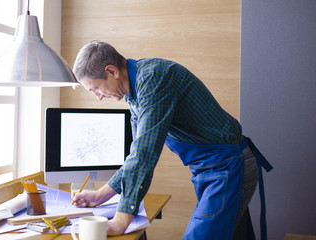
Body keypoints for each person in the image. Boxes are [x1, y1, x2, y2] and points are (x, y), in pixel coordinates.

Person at [70, 40, 272, 239]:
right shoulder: (136, 93)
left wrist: (121, 220)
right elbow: (136, 155)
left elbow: (144, 154)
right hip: (213, 170)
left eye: (95, 88)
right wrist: (100, 195)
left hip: (228, 166)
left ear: (112, 71)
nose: (98, 96)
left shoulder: (153, 78)